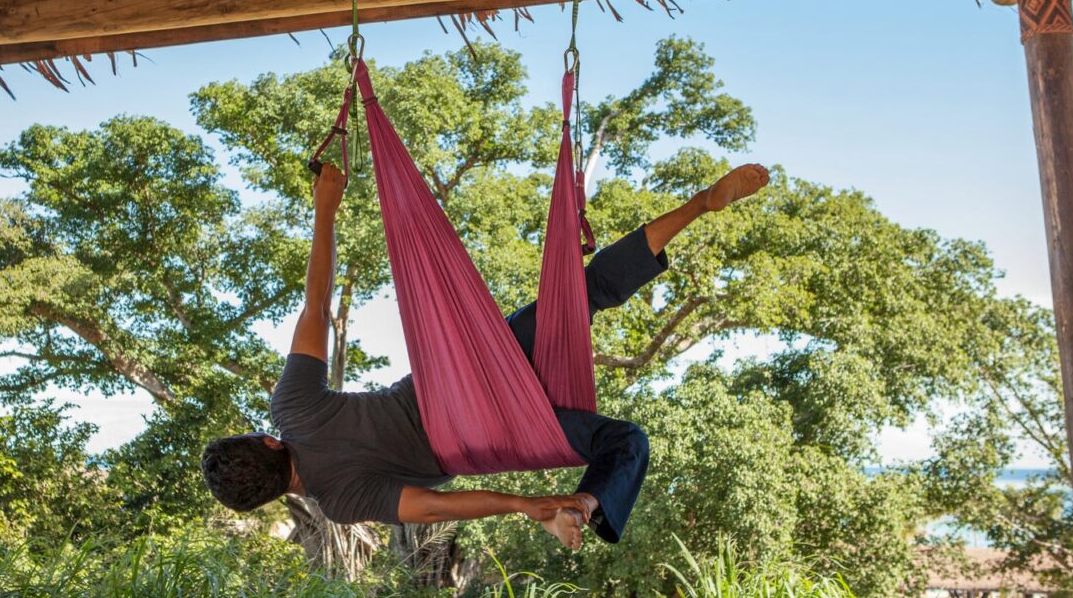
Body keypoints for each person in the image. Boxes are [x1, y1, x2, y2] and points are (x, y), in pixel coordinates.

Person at [202, 161, 770, 550]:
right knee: (581, 293)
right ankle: (700, 204)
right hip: (464, 374)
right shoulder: (293, 408)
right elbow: (316, 305)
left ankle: (586, 504)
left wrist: (526, 505)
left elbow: (432, 506)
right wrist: (325, 207)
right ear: (268, 441)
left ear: (273, 495)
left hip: (490, 435)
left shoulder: (339, 500)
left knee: (623, 441)